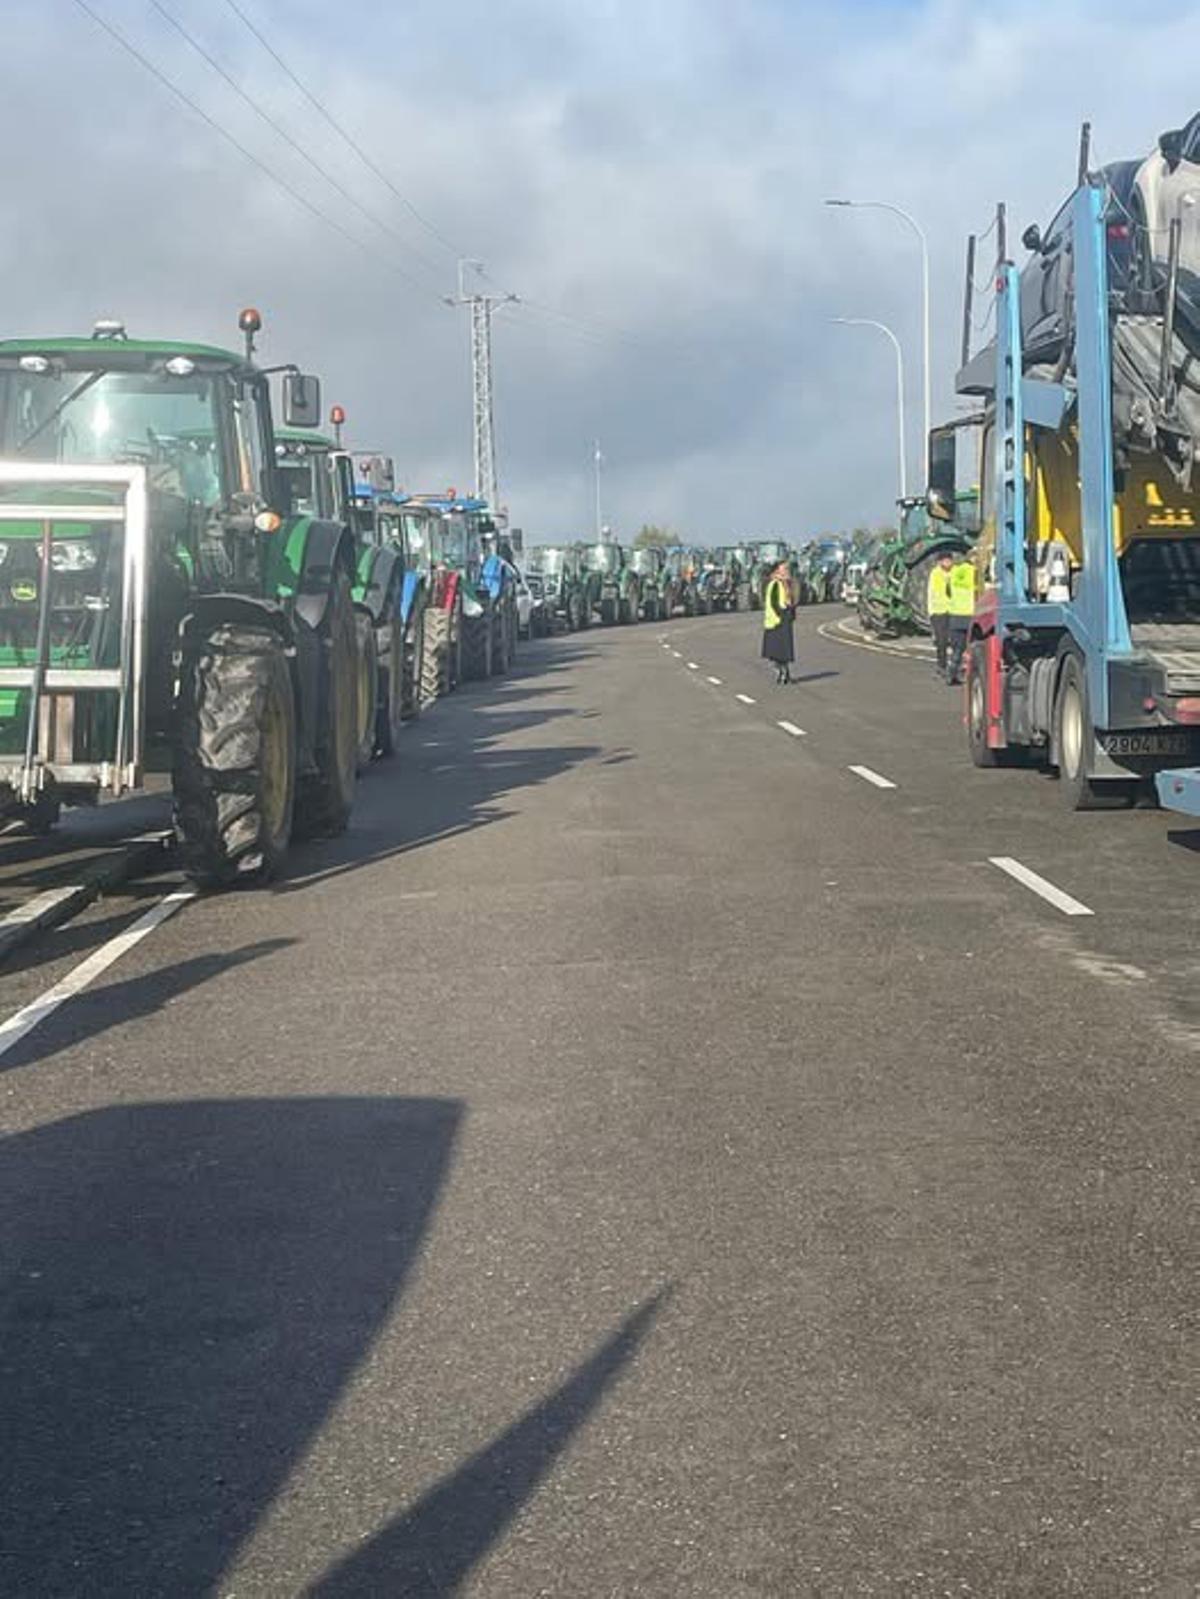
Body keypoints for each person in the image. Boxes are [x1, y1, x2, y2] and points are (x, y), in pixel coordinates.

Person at [761, 559, 796, 684]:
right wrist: (783, 614)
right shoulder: (775, 584)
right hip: (777, 620)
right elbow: (774, 602)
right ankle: (782, 672)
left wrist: (791, 613)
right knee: (779, 651)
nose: (786, 571)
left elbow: (790, 600)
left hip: (782, 618)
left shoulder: (785, 583)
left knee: (782, 651)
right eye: (784, 569)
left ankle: (784, 673)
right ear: (777, 571)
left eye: (787, 569)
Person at [946, 552, 977, 685]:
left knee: (957, 649)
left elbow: (948, 591)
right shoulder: (975, 572)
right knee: (973, 648)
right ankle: (969, 676)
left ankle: (951, 674)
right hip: (970, 614)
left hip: (955, 614)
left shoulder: (954, 572)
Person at [927, 551, 954, 679]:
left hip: (954, 610)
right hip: (938, 611)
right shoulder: (935, 574)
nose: (947, 562)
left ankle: (954, 666)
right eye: (945, 560)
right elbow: (931, 593)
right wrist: (930, 611)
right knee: (941, 641)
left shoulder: (955, 572)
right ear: (940, 562)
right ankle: (941, 666)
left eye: (949, 560)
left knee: (955, 641)